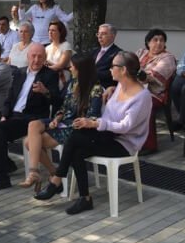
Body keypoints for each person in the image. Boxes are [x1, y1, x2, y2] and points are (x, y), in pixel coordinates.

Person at [40, 51, 152, 215]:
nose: (109, 70)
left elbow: (125, 126)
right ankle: (83, 197)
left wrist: (95, 123)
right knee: (76, 144)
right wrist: (111, 89)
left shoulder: (141, 96)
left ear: (123, 70)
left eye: (113, 66)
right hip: (107, 135)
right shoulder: (121, 85)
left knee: (75, 139)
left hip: (124, 143)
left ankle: (57, 180)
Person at [0, 44, 60, 191]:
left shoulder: (49, 75)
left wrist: (45, 92)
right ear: (28, 57)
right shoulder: (19, 73)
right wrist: (4, 115)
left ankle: (2, 177)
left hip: (31, 118)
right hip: (12, 116)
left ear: (45, 58)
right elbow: (9, 98)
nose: (36, 59)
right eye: (33, 56)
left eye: (40, 56)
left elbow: (57, 101)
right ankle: (5, 164)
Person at [21, 53, 103, 197]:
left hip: (76, 128)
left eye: (73, 66)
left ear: (81, 69)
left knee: (29, 142)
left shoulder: (96, 89)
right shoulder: (72, 83)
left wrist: (67, 122)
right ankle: (39, 172)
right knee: (33, 124)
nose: (70, 68)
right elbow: (64, 107)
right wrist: (57, 119)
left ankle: (53, 176)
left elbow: (92, 116)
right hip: (63, 122)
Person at [134, 29, 177, 153]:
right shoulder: (141, 52)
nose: (158, 43)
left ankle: (150, 145)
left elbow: (153, 75)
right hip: (135, 90)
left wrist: (137, 74)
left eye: (162, 40)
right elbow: (129, 64)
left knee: (143, 104)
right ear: (148, 42)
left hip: (155, 93)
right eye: (155, 40)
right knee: (112, 98)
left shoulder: (167, 58)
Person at [92, 23, 122, 88]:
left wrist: (90, 73)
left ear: (113, 36)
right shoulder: (94, 51)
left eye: (103, 34)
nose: (99, 36)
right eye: (98, 34)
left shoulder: (118, 53)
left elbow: (112, 74)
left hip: (106, 90)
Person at [45, 20, 73, 91]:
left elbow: (61, 65)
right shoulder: (47, 48)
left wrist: (46, 67)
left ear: (60, 32)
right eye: (49, 30)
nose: (50, 32)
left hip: (61, 78)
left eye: (53, 30)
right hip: (49, 78)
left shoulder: (66, 46)